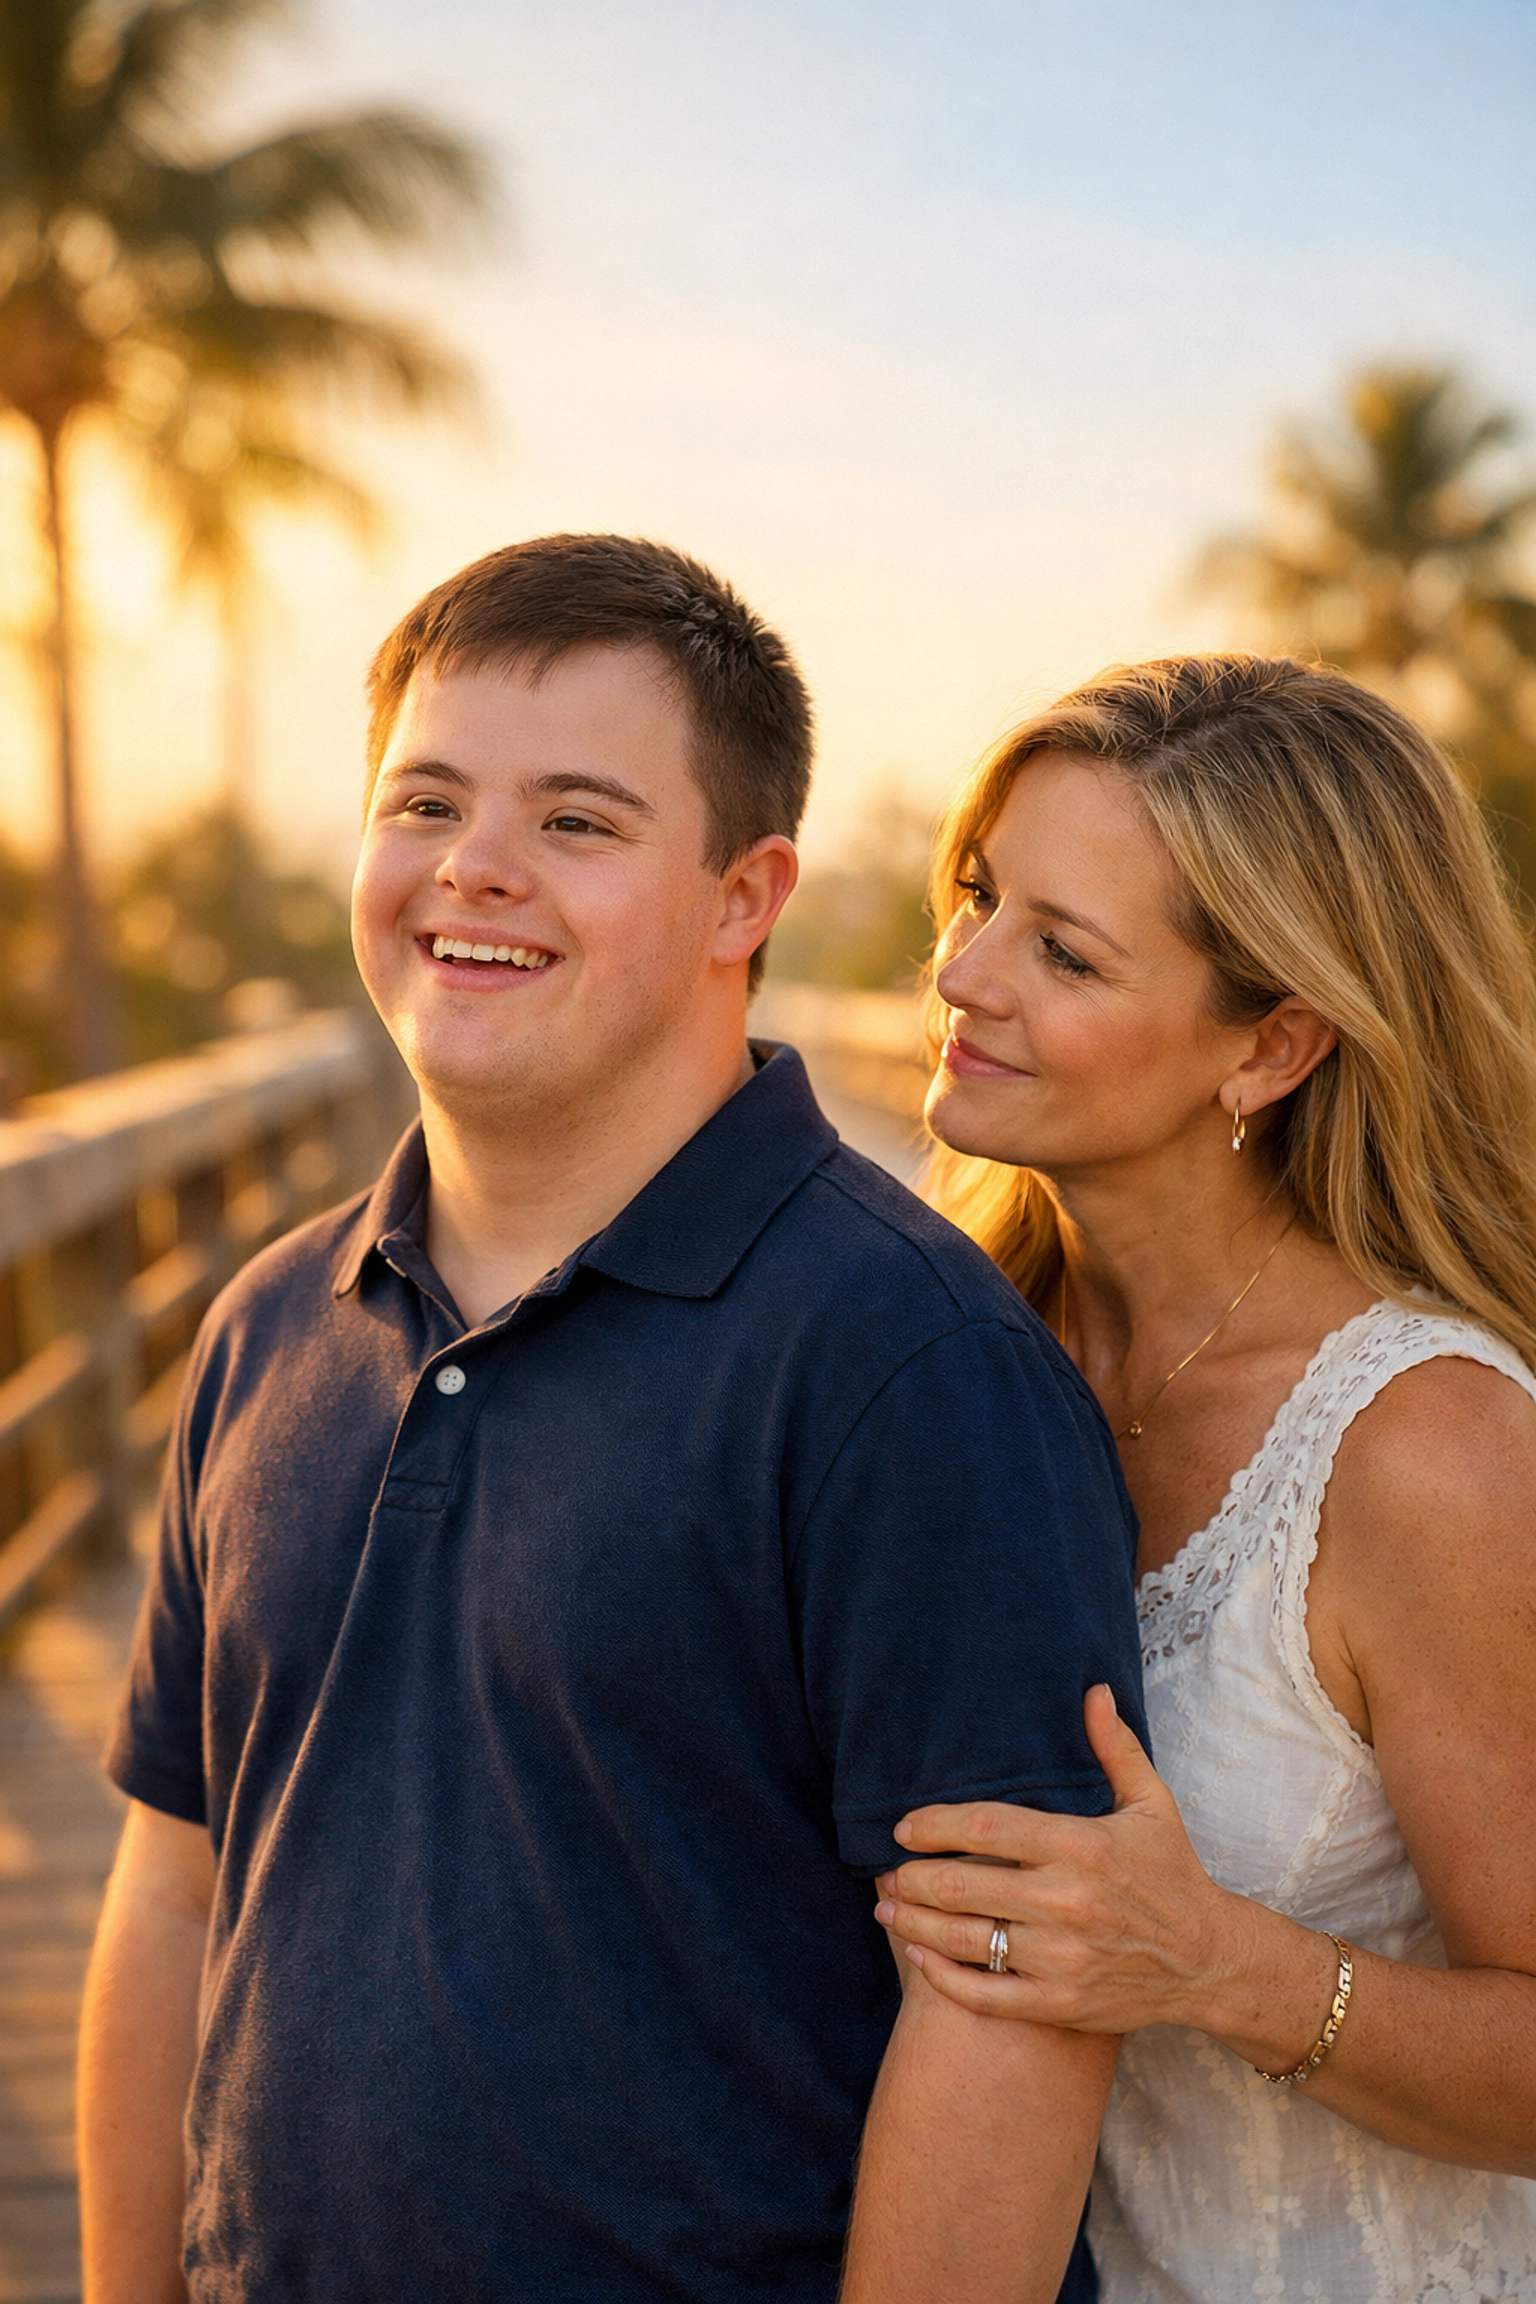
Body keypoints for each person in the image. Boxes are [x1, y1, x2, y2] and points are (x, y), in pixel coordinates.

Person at [79, 533, 1147, 2304]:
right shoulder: (268, 1322)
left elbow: (1014, 2019)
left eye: (577, 822)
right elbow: (177, 1887)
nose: (474, 871)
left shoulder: (911, 1372)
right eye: (424, 802)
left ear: (747, 898)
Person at [873, 653, 1536, 2301]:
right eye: (979, 897)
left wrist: (1215, 1965)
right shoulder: (944, 1347)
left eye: (1064, 951)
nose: (964, 975)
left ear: (1274, 1046)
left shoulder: (1428, 1448)